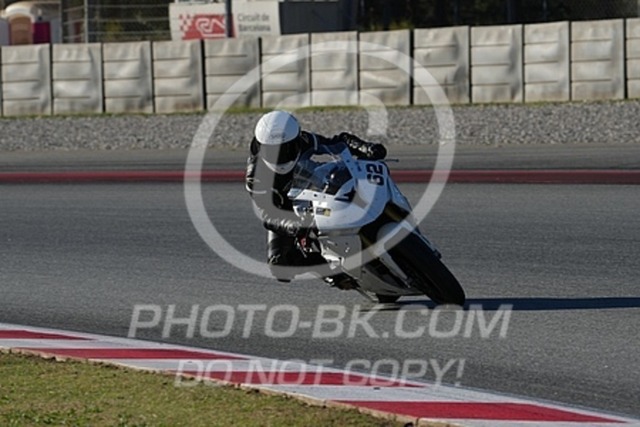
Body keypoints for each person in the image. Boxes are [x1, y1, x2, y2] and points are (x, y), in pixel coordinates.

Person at [245, 110, 387, 288]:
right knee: (279, 265)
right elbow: (267, 214)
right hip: (285, 211)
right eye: (271, 151)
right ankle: (330, 272)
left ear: (295, 141)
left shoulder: (303, 140)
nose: (278, 156)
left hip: (311, 184)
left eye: (284, 149)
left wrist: (365, 147)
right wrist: (291, 225)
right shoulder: (255, 175)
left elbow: (338, 142)